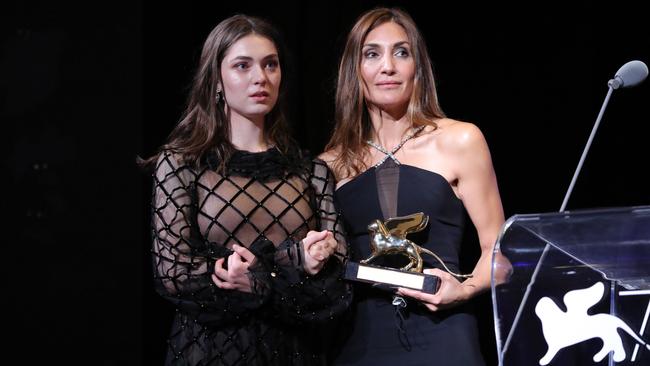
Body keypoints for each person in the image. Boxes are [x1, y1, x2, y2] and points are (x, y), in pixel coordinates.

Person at [141, 14, 350, 366]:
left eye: (271, 65)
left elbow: (337, 289)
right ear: (217, 79)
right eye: (243, 65)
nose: (261, 78)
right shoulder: (182, 164)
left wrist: (262, 281)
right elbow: (174, 275)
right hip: (210, 352)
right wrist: (290, 261)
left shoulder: (311, 171)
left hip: (295, 352)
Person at [320, 7, 511, 365]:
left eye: (401, 52)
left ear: (417, 67)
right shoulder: (330, 164)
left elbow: (499, 254)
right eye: (372, 54)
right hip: (358, 341)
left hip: (445, 333)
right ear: (354, 70)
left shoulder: (460, 139)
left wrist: (465, 290)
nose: (388, 66)